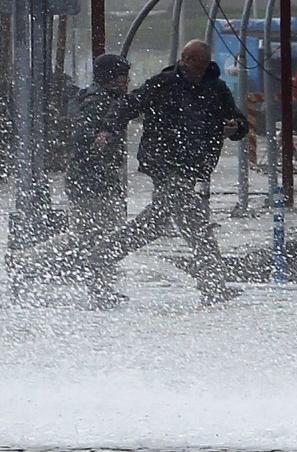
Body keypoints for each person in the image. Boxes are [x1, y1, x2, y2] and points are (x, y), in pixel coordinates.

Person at [95, 39, 248, 306]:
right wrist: (108, 127)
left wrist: (236, 127)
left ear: (204, 64)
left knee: (158, 224)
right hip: (164, 165)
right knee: (195, 224)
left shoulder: (216, 89)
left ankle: (102, 256)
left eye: (191, 60)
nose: (184, 63)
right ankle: (214, 284)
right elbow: (129, 104)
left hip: (192, 167)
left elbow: (237, 119)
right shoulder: (164, 83)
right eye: (183, 58)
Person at [65, 53, 131, 308]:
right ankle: (25, 262)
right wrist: (100, 139)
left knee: (99, 238)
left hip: (95, 183)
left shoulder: (100, 98)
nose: (127, 82)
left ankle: (102, 287)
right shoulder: (98, 102)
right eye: (123, 77)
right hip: (92, 185)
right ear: (111, 78)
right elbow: (85, 137)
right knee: (91, 239)